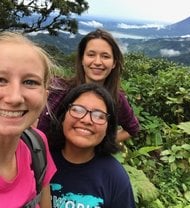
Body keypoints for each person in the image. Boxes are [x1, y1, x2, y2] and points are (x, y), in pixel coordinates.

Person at [37, 28, 139, 143]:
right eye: (91, 55)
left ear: (114, 63)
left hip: (88, 160)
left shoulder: (116, 99)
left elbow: (132, 129)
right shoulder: (59, 89)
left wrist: (99, 144)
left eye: (105, 56)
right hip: (46, 158)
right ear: (82, 59)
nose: (97, 62)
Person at [48, 83, 136, 207]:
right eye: (77, 110)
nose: (86, 120)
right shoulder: (40, 161)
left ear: (108, 128)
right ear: (62, 117)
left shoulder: (115, 177)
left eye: (99, 116)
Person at [0, 31, 56, 207]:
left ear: (45, 96)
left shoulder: (37, 144)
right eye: (0, 80)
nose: (15, 97)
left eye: (30, 82)